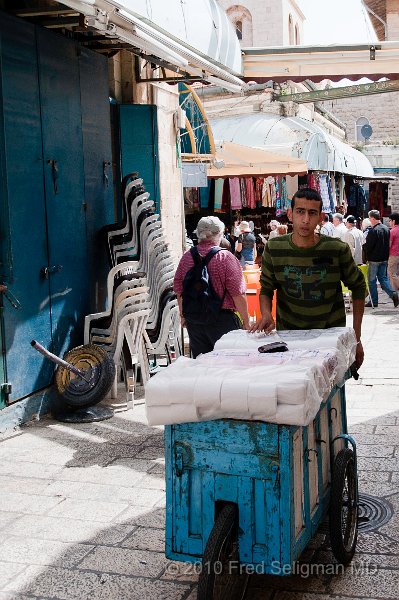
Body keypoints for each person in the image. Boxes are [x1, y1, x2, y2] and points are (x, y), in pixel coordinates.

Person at [250, 188, 366, 368]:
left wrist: (356, 338)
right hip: (289, 340)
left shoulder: (336, 249)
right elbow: (266, 288)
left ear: (320, 217)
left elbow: (358, 287)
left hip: (330, 341)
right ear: (290, 214)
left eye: (312, 213)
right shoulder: (274, 248)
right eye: (300, 212)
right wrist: (266, 313)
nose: (305, 220)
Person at [174, 216, 250, 358]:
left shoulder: (186, 257)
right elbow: (238, 293)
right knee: (229, 365)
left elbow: (179, 289)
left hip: (195, 321)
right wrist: (246, 322)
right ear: (219, 234)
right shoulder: (225, 257)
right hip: (222, 321)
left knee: (203, 367)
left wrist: (183, 315)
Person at [365, 210, 399, 308]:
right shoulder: (386, 229)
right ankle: (393, 294)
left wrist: (366, 255)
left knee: (371, 281)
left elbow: (369, 246)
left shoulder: (373, 231)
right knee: (383, 279)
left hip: (374, 260)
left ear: (372, 218)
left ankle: (374, 301)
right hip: (384, 258)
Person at [388, 212, 399, 291]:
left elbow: (389, 244)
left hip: (393, 255)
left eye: (390, 220)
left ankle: (394, 290)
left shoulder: (392, 231)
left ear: (393, 221)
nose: (389, 222)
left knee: (392, 273)